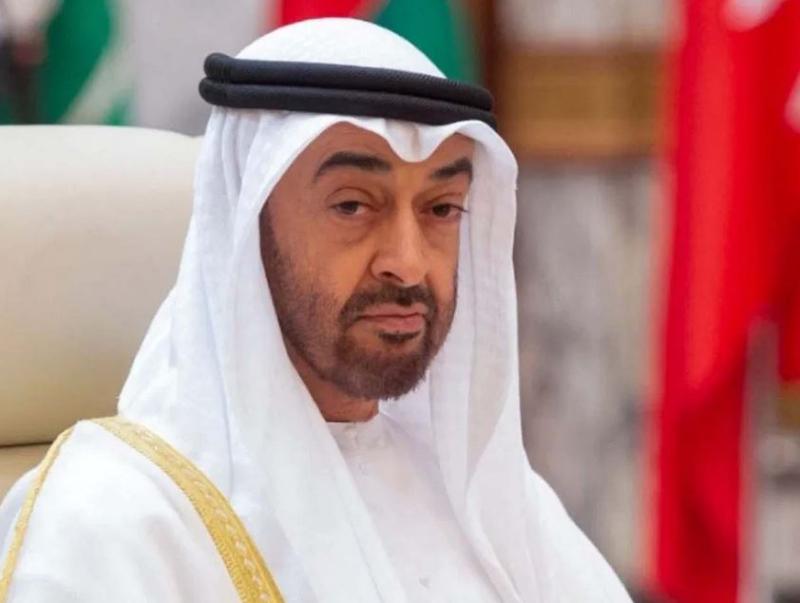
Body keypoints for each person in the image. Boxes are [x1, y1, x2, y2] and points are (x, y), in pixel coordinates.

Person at [0, 18, 631, 602]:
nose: (409, 263)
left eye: (441, 209)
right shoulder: (117, 519)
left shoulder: (489, 504)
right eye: (353, 205)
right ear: (248, 222)